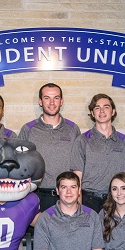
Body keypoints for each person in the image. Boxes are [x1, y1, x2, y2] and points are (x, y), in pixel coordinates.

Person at [18, 83, 81, 211]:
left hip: (66, 198)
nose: (52, 102)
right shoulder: (28, 130)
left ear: (61, 101)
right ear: (40, 101)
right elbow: (19, 166)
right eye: (47, 98)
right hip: (37, 196)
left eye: (56, 98)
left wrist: (78, 200)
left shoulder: (73, 129)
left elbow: (78, 167)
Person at [71, 94, 125, 212]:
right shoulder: (82, 140)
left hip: (116, 200)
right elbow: (77, 179)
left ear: (113, 112)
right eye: (97, 108)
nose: (102, 111)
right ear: (92, 113)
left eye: (106, 107)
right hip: (89, 200)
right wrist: (79, 209)